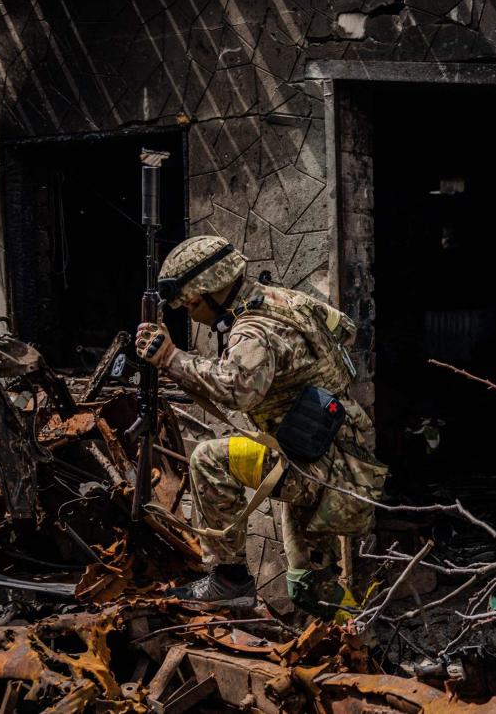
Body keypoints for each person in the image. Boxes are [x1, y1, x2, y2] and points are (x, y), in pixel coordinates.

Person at [135, 235, 387, 616]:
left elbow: (237, 390)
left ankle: (230, 580)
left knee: (208, 458)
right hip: (332, 455)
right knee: (308, 587)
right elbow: (346, 328)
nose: (190, 311)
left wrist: (170, 357)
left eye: (192, 303)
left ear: (211, 292)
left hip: (315, 466)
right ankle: (358, 640)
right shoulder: (283, 300)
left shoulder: (252, 329)